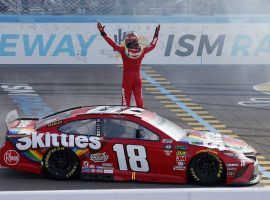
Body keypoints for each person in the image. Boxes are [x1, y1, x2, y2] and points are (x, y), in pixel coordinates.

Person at [97, 22, 160, 108]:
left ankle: (125, 117)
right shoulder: (142, 50)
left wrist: (103, 33)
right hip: (138, 77)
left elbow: (112, 44)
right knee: (139, 98)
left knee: (126, 99)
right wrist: (156, 34)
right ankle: (142, 117)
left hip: (127, 78)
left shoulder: (124, 50)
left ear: (128, 41)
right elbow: (153, 45)